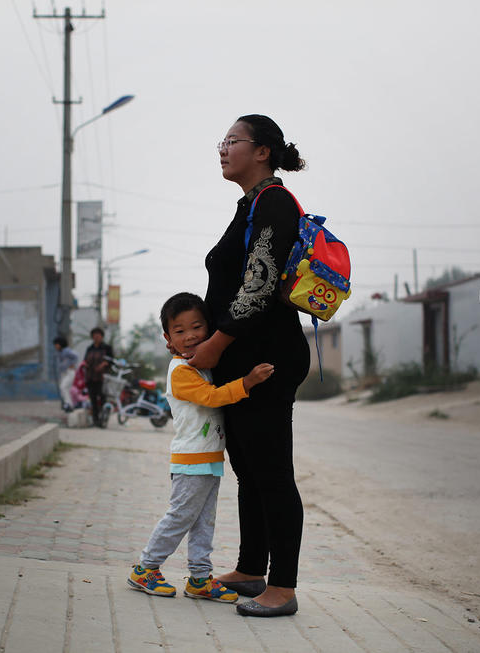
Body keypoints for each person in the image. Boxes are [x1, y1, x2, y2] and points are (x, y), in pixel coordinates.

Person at [185, 114, 310, 617]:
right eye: (223, 141)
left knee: (273, 471)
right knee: (249, 470)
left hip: (267, 358)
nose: (222, 149)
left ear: (262, 152)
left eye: (232, 141)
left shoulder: (274, 202)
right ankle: (251, 568)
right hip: (241, 357)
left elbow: (257, 286)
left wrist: (215, 344)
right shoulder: (250, 204)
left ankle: (282, 586)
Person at [128, 292, 273, 603]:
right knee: (180, 516)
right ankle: (145, 568)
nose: (190, 336)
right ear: (168, 339)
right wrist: (246, 383)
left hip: (208, 458)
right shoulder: (181, 372)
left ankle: (199, 578)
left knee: (204, 520)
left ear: (209, 328)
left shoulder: (198, 364)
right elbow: (211, 397)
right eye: (180, 331)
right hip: (191, 459)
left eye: (197, 327)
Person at [83, 327, 114, 426]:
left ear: (102, 336)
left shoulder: (107, 348)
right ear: (92, 337)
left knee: (103, 398)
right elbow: (85, 360)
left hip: (102, 378)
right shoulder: (90, 348)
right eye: (94, 335)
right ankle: (95, 420)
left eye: (98, 335)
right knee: (93, 399)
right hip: (90, 377)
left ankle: (103, 420)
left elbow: (111, 360)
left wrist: (104, 364)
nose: (96, 337)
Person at [53, 336, 80, 410]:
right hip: (63, 372)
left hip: (69, 371)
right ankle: (68, 404)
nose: (55, 346)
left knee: (63, 386)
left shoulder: (66, 351)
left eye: (56, 344)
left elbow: (76, 356)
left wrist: (72, 364)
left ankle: (69, 404)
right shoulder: (59, 352)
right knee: (64, 389)